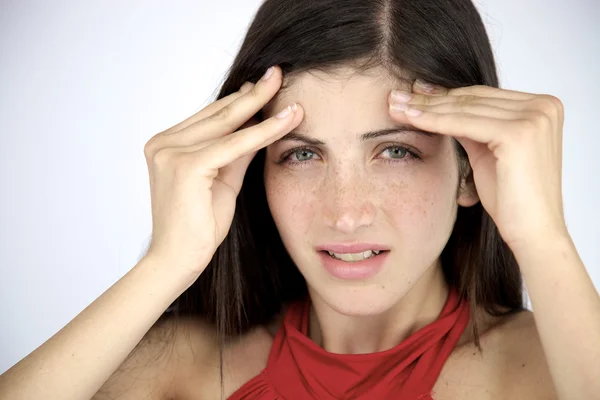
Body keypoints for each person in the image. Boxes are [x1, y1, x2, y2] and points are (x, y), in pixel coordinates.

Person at [1, 0, 599, 399]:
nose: (345, 212)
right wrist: (167, 263)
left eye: (395, 152)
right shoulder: (179, 371)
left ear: (471, 171)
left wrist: (544, 237)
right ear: (252, 168)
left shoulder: (541, 370)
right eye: (301, 154)